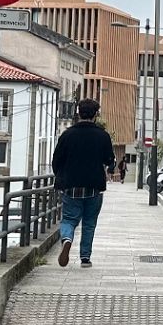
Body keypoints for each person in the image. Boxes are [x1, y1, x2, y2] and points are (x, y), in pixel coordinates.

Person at [51, 98, 117, 267]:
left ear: (78, 113)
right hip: (94, 186)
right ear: (95, 115)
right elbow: (109, 160)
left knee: (68, 219)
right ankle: (85, 258)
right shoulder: (102, 136)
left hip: (71, 185)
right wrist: (109, 168)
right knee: (89, 223)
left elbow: (56, 160)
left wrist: (60, 176)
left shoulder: (67, 135)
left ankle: (67, 239)